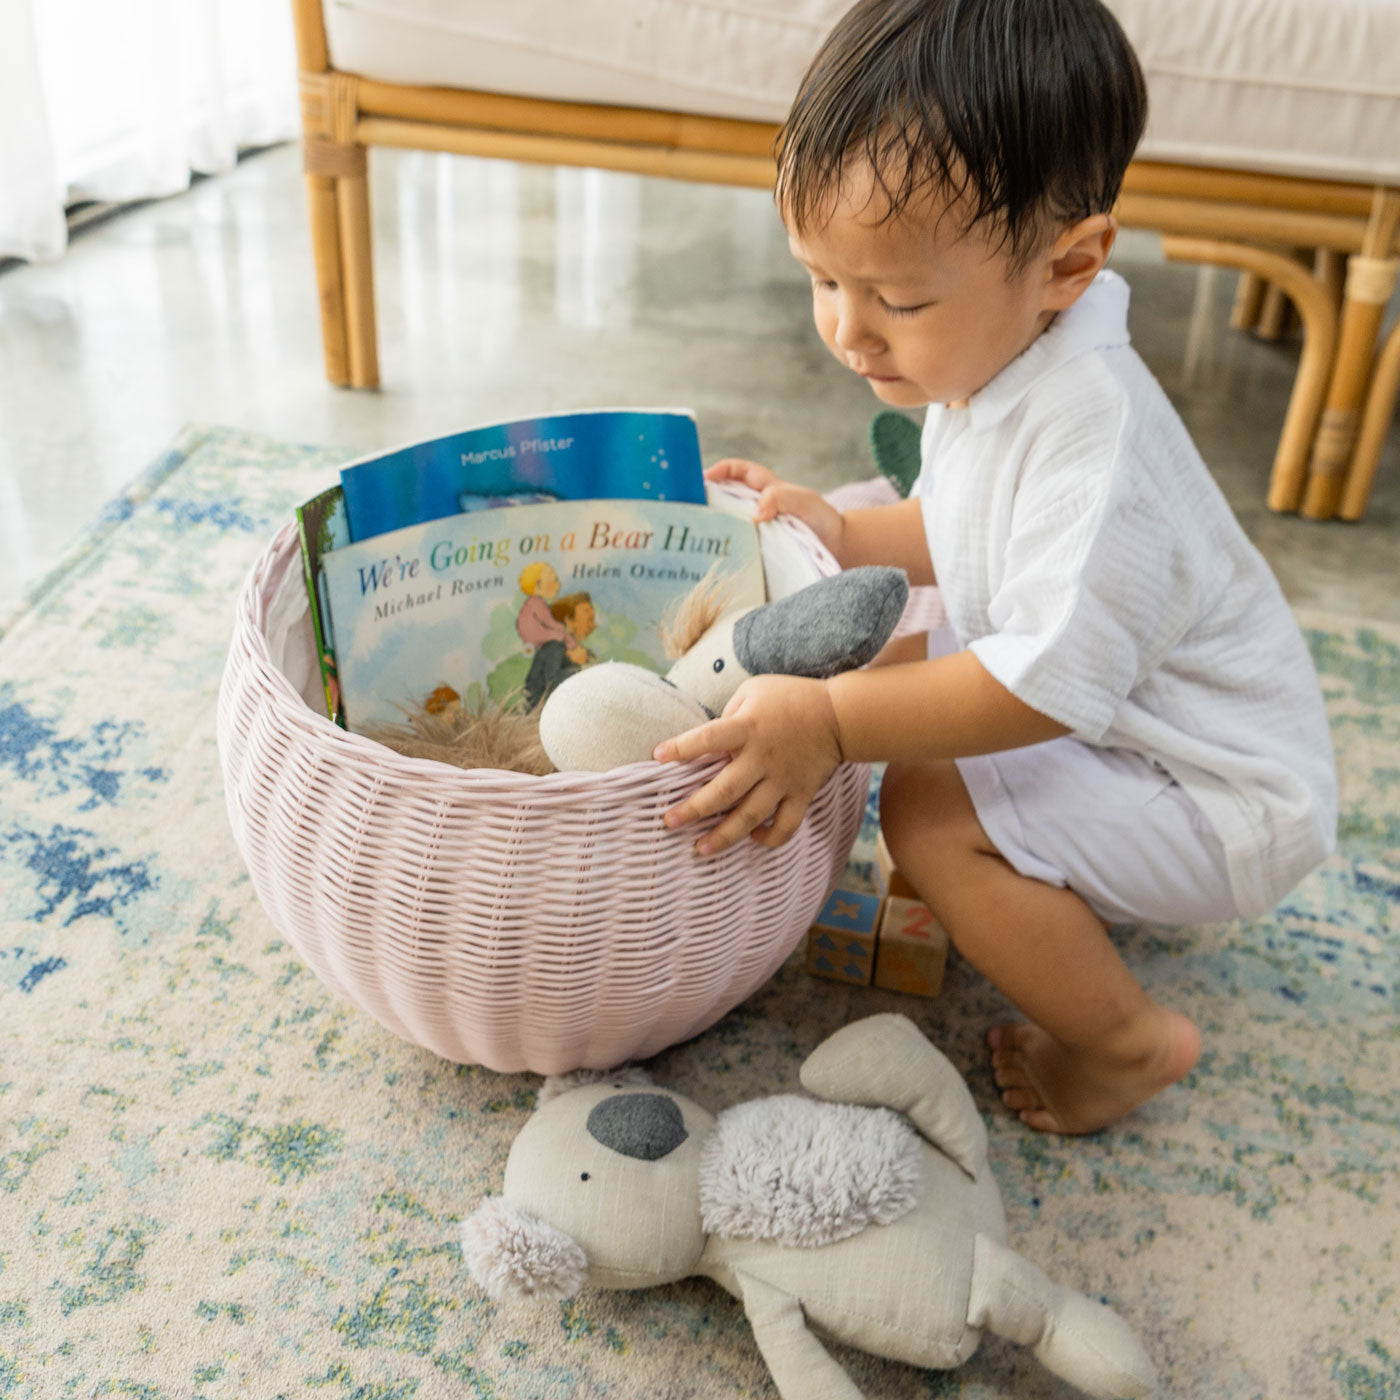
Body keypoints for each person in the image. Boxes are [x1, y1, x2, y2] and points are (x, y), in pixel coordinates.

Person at [654, 0, 1337, 1135]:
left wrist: (828, 722)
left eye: (897, 299)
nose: (846, 333)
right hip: (1127, 721)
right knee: (912, 631)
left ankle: (1120, 1043)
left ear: (1065, 266)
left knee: (924, 806)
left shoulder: (1092, 433)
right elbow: (969, 523)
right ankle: (1048, 877)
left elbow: (1034, 690)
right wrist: (854, 529)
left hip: (1218, 797)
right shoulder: (1001, 351)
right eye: (822, 279)